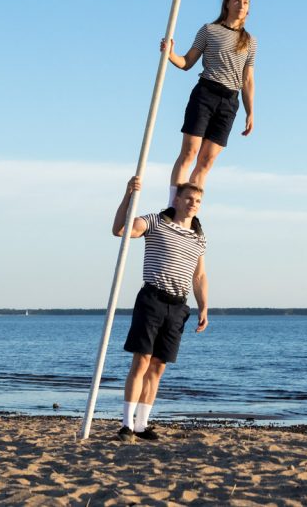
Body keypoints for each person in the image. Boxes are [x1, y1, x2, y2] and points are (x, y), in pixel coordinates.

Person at [112, 175, 208, 441]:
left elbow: (199, 276)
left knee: (158, 367)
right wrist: (128, 195)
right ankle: (126, 425)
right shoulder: (155, 221)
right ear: (176, 199)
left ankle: (142, 425)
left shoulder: (198, 237)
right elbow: (120, 230)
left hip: (178, 306)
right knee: (141, 361)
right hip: (152, 299)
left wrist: (204, 307)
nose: (193, 203)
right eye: (188, 198)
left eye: (198, 200)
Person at [160, 0, 256, 200]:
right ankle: (172, 206)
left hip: (230, 102)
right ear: (227, 3)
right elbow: (187, 63)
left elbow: (248, 79)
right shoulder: (209, 30)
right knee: (189, 153)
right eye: (238, 1)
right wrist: (170, 54)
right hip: (206, 94)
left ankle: (189, 211)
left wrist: (250, 112)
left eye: (246, 2)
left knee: (206, 161)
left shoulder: (250, 41)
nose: (242, 6)